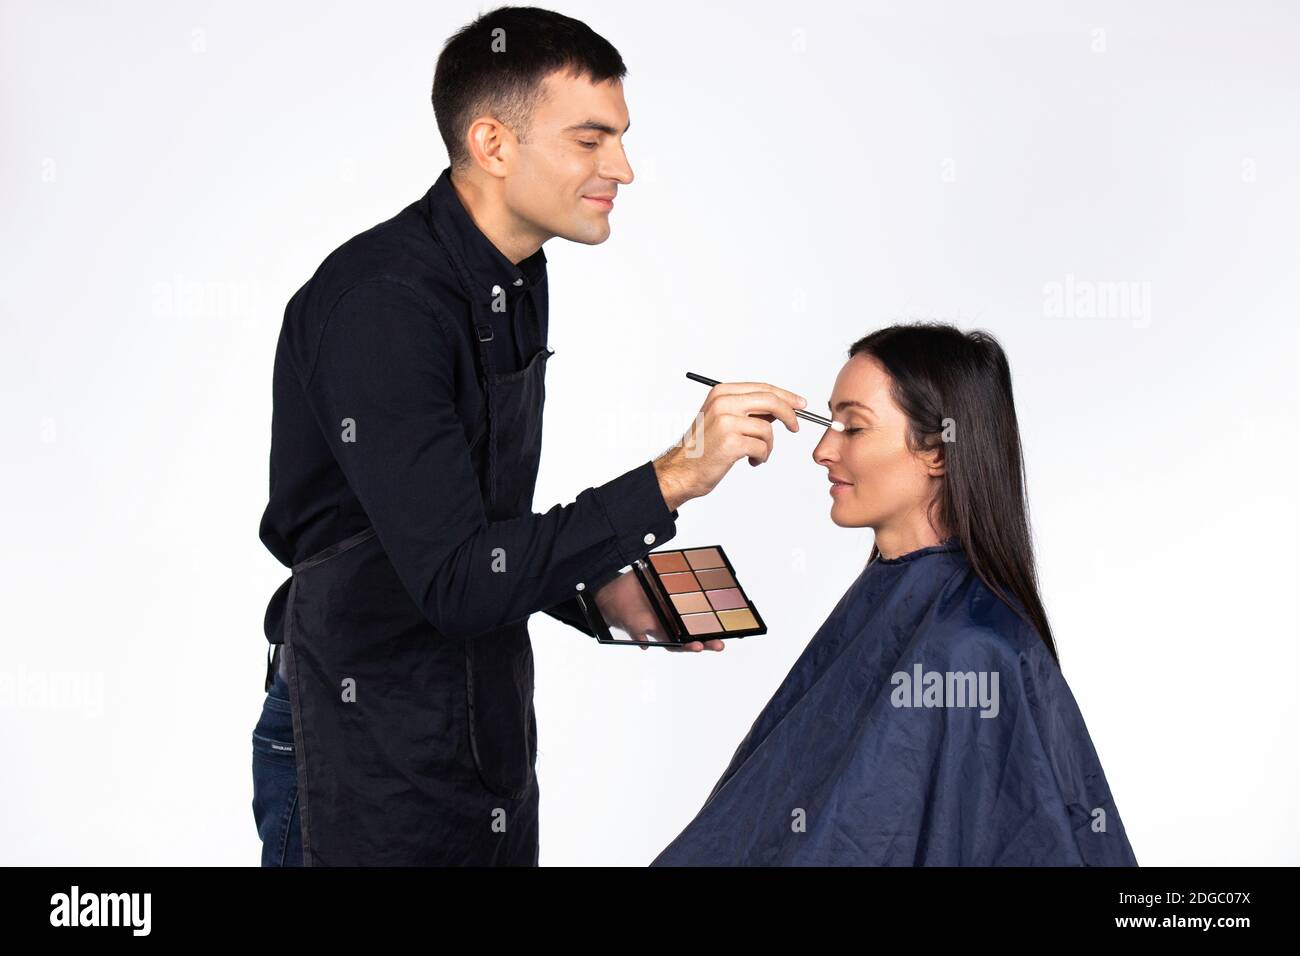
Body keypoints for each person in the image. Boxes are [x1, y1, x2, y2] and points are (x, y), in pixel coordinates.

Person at [250, 5, 806, 866]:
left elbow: (470, 528)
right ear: (493, 143)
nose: (622, 167)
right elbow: (456, 580)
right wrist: (676, 475)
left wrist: (599, 597)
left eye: (620, 138)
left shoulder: (519, 274)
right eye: (591, 140)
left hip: (481, 730)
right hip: (358, 742)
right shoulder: (380, 308)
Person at [652, 323, 1139, 866]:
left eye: (852, 428)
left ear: (937, 453)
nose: (821, 451)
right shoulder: (895, 596)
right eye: (828, 422)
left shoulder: (968, 650)